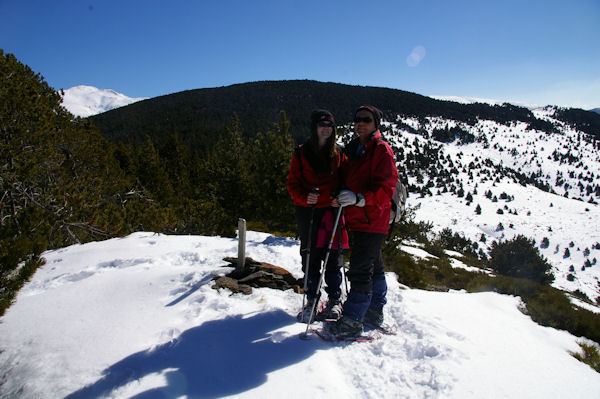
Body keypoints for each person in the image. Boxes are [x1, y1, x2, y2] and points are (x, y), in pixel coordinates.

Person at [329, 105, 399, 338]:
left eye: (366, 120)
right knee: (373, 265)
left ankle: (352, 320)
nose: (360, 123)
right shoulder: (355, 148)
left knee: (359, 269)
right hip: (357, 218)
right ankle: (374, 311)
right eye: (357, 119)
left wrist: (359, 199)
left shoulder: (381, 150)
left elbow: (385, 188)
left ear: (375, 123)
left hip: (373, 219)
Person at [287, 109, 348, 322]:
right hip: (308, 211)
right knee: (310, 255)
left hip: (330, 211)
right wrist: (305, 198)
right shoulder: (301, 152)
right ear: (315, 127)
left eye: (330, 126)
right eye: (322, 125)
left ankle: (334, 300)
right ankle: (312, 300)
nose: (326, 129)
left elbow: (346, 181)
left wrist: (340, 197)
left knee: (332, 256)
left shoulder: (339, 155)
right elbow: (292, 184)